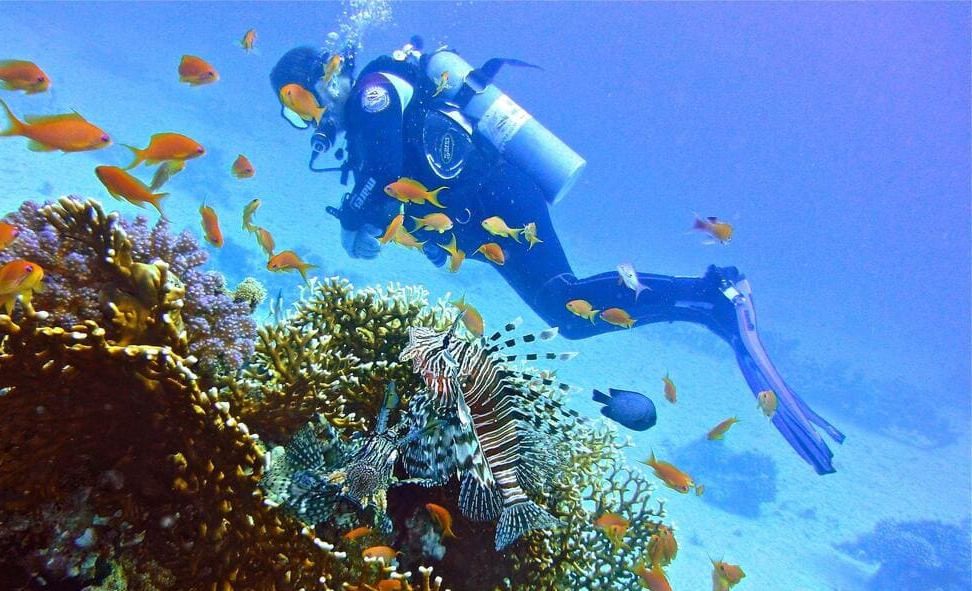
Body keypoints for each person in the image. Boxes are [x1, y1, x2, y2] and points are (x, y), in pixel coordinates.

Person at [269, 38, 845, 475]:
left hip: (500, 202)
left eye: (298, 107)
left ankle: (714, 290)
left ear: (325, 80)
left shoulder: (372, 92)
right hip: (489, 212)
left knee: (567, 305)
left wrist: (355, 220)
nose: (305, 123)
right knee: (568, 313)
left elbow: (386, 176)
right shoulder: (378, 98)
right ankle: (708, 305)